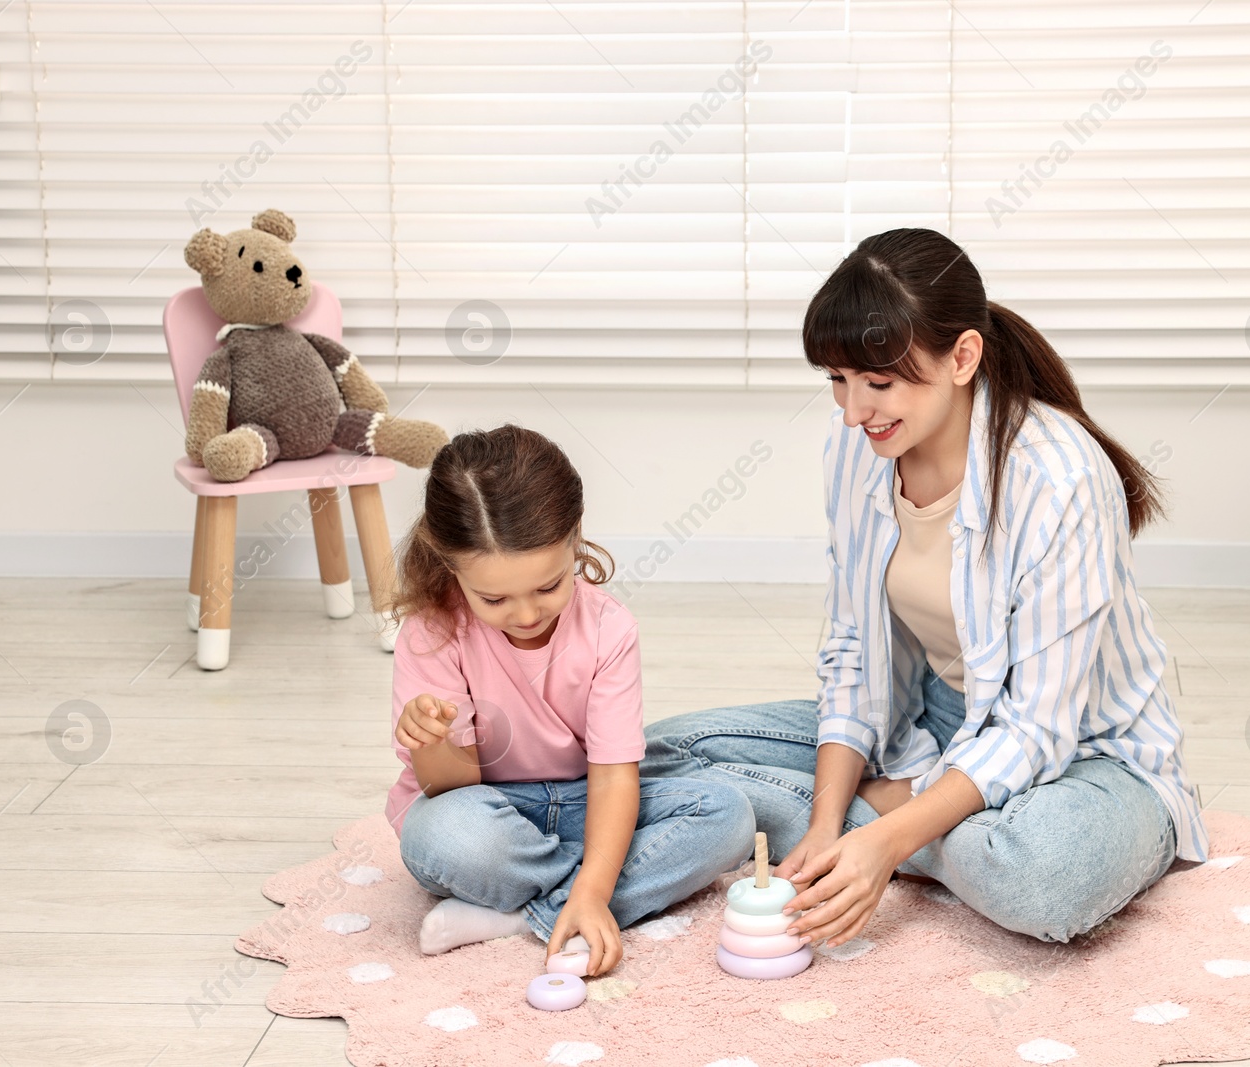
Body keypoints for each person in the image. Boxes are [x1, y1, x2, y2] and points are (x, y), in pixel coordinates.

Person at [642, 228, 1208, 950]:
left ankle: (884, 816)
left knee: (1037, 878)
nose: (853, 410)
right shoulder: (854, 446)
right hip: (935, 714)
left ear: (963, 357)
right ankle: (882, 815)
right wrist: (821, 824)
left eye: (878, 382)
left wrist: (882, 840)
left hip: (1091, 754)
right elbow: (852, 649)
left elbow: (1037, 727)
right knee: (661, 753)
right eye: (838, 380)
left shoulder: (1060, 477)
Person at [386, 424, 754, 976]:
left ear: (574, 537)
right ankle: (584, 898)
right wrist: (434, 739)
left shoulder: (608, 628)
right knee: (443, 835)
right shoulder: (431, 630)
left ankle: (531, 913)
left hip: (585, 798)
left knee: (728, 817)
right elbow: (448, 790)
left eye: (548, 586)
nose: (528, 615)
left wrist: (594, 887)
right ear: (449, 564)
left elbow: (612, 776)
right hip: (486, 807)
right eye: (494, 598)